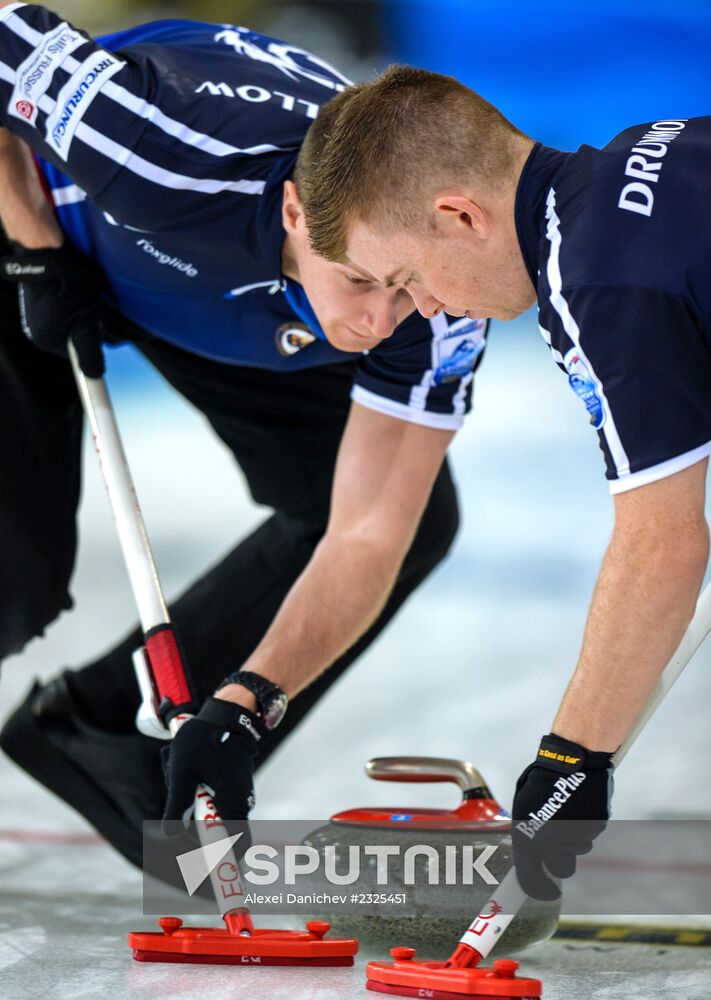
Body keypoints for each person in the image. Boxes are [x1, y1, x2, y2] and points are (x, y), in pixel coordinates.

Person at [0, 9, 490, 867]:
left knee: (406, 517)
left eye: (408, 287)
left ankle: (112, 734)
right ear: (299, 214)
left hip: (221, 294)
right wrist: (35, 245)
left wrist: (243, 704)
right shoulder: (161, 145)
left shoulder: (436, 301)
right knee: (9, 585)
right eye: (364, 283)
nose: (381, 321)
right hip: (47, 225)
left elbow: (366, 531)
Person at [301, 65, 711, 898]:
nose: (424, 310)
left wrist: (571, 757)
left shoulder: (597, 275)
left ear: (459, 216)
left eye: (409, 279)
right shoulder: (650, 156)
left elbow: (662, 541)